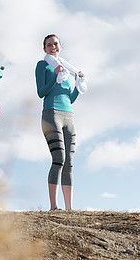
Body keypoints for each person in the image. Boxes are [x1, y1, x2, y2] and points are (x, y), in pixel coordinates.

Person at [35, 34, 85, 211]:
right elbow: (41, 92)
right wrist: (54, 77)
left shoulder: (66, 71)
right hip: (51, 114)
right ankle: (54, 206)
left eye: (55, 44)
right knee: (59, 159)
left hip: (68, 116)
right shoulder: (43, 65)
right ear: (44, 49)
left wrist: (78, 83)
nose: (52, 47)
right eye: (49, 45)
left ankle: (69, 208)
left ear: (60, 46)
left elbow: (69, 98)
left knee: (69, 162)